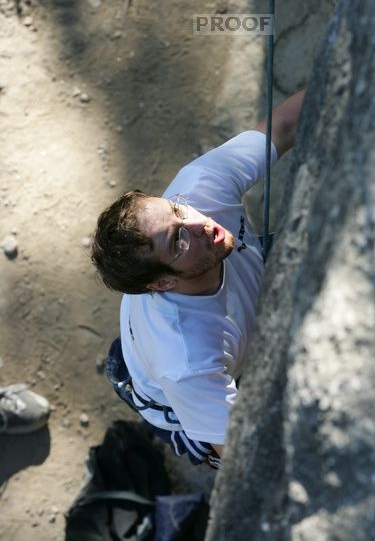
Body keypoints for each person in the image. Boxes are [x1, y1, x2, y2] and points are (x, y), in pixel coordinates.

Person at [92, 90, 304, 465]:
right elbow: (243, 459)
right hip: (173, 398)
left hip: (207, 334)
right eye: (177, 240)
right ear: (161, 283)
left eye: (175, 209)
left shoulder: (197, 189)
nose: (199, 222)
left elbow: (285, 125)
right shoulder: (187, 361)